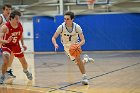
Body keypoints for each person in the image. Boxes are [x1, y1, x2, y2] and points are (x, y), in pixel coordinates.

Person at [52, 11, 94, 85]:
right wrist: (55, 44)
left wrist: (78, 45)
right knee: (78, 63)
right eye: (64, 19)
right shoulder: (61, 27)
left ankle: (84, 77)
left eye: (67, 19)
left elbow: (83, 40)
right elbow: (53, 37)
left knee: (78, 59)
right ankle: (86, 60)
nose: (65, 20)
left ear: (72, 19)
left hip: (75, 46)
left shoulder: (77, 27)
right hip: (67, 48)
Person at [0, 10, 32, 84]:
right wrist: (6, 41)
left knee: (24, 63)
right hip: (6, 45)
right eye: (16, 18)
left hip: (16, 45)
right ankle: (2, 76)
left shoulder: (20, 25)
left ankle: (26, 71)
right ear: (11, 18)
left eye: (19, 18)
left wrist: (23, 44)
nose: (18, 20)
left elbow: (20, 36)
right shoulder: (5, 27)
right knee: (6, 61)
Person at [0, 4, 16, 78]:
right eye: (6, 9)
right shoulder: (1, 18)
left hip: (6, 42)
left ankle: (8, 69)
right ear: (3, 10)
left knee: (12, 54)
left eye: (9, 9)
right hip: (1, 40)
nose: (8, 11)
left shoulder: (10, 18)